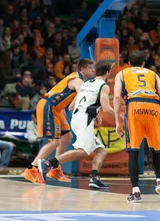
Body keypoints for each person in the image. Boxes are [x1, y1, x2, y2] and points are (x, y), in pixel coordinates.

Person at [39, 61, 116, 189]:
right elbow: (107, 108)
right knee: (83, 152)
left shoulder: (86, 84)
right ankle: (48, 163)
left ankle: (95, 178)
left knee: (101, 151)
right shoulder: (103, 85)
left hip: (78, 118)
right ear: (107, 73)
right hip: (84, 119)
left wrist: (93, 112)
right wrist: (122, 119)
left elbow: (71, 106)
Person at [22, 59, 95, 184]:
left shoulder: (79, 80)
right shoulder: (77, 80)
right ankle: (31, 169)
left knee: (67, 137)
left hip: (58, 109)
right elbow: (82, 90)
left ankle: (55, 169)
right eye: (90, 68)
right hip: (49, 106)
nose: (93, 70)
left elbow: (72, 105)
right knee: (55, 142)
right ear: (82, 69)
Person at [113, 50, 160, 203]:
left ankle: (136, 192)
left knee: (133, 150)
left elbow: (116, 96)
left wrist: (118, 121)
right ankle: (159, 181)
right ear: (144, 63)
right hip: (153, 107)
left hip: (135, 106)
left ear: (128, 63)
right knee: (156, 148)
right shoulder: (153, 74)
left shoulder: (122, 73)